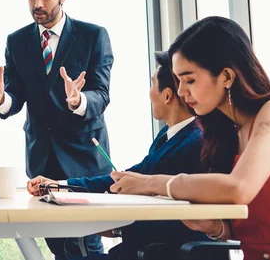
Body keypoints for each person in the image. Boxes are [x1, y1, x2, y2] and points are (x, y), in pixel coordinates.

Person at [0, 0, 114, 259]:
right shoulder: (17, 41)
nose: (37, 3)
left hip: (82, 162)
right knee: (60, 248)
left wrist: (78, 101)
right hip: (42, 162)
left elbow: (101, 94)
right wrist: (0, 99)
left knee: (85, 247)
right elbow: (15, 98)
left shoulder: (93, 36)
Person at [110, 16, 270, 260]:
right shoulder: (225, 135)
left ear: (227, 77)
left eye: (189, 80)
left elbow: (239, 188)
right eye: (178, 80)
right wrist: (214, 227)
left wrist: (152, 183)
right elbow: (250, 231)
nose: (180, 91)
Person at [28, 51, 209, 259]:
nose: (149, 93)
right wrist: (58, 185)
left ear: (167, 95)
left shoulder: (195, 143)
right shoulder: (169, 137)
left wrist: (118, 227)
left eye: (152, 85)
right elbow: (125, 177)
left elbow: (181, 222)